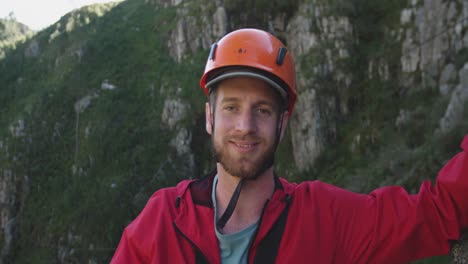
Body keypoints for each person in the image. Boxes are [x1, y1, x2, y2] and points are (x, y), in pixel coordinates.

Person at [111, 28, 468, 264]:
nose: (245, 127)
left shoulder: (324, 217)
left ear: (283, 123)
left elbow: (436, 215)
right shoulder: (163, 222)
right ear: (209, 118)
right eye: (231, 107)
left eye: (262, 110)